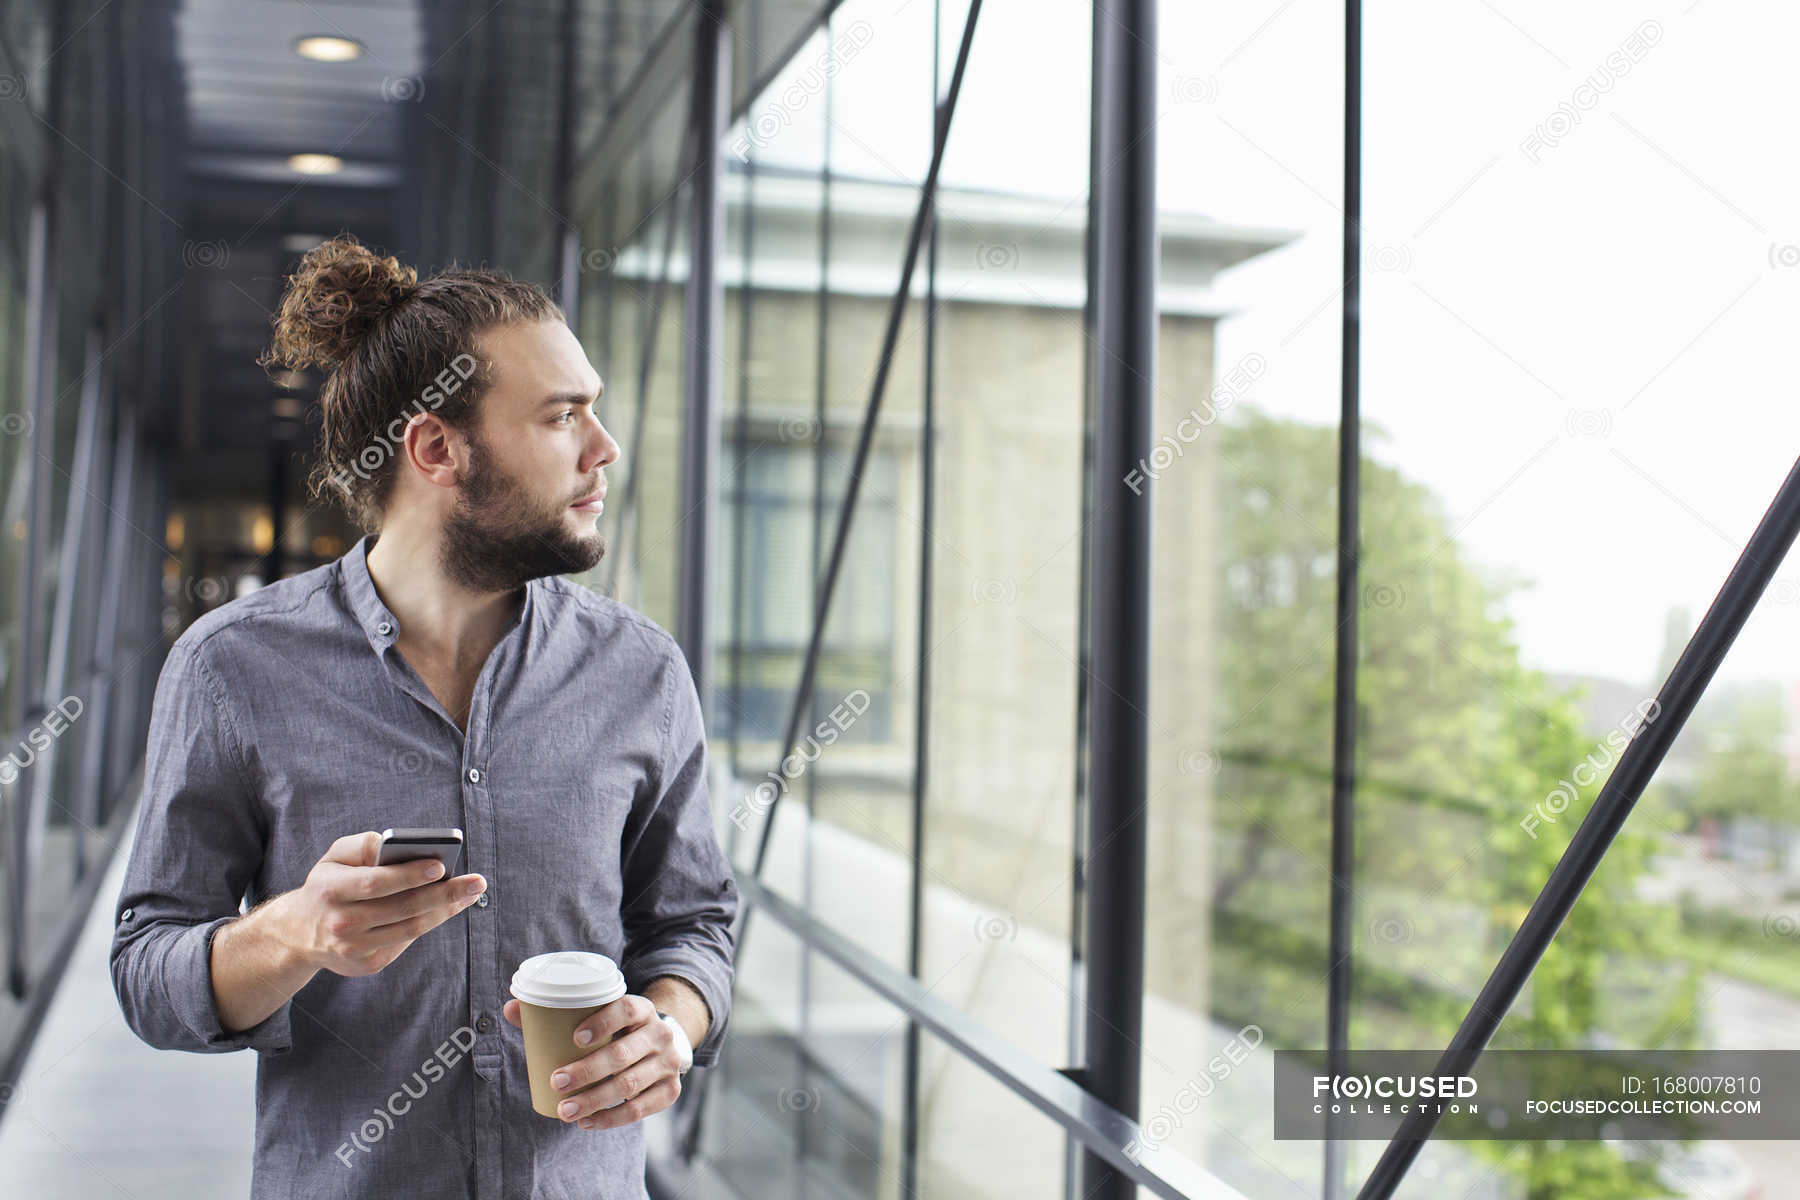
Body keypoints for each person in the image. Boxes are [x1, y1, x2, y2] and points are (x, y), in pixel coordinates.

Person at [108, 234, 738, 1200]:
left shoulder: (640, 671)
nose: (604, 449)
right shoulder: (233, 668)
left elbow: (692, 925)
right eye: (564, 416)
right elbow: (149, 971)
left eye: (595, 411)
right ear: (438, 448)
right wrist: (290, 935)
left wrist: (670, 1028)